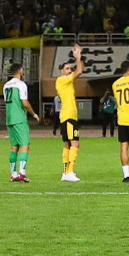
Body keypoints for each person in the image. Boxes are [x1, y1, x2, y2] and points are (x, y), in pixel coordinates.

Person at [4, 61, 42, 181]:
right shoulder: (21, 84)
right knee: (25, 145)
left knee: (14, 146)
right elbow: (24, 102)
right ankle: (22, 172)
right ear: (20, 71)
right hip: (19, 118)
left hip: (9, 119)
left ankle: (13, 174)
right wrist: (34, 114)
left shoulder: (6, 86)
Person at [53, 43, 83, 181]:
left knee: (67, 144)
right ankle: (70, 172)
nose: (70, 70)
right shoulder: (61, 80)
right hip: (69, 115)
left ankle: (65, 173)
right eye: (67, 68)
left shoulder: (65, 82)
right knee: (75, 143)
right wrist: (78, 57)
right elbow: (80, 71)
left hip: (65, 115)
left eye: (70, 68)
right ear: (61, 71)